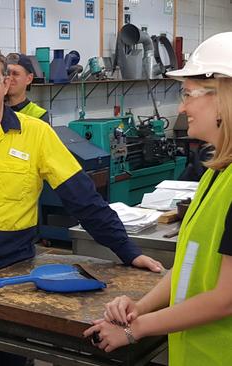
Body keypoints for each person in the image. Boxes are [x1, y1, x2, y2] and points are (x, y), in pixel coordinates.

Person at [0, 45, 163, 366]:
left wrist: (128, 251)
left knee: (11, 362)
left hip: (16, 281)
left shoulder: (37, 135)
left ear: (5, 83)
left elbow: (83, 200)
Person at [83, 32, 232, 366]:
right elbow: (188, 268)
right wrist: (141, 306)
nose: (181, 107)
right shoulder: (216, 174)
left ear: (223, 97)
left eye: (188, 94)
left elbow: (226, 298)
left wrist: (135, 329)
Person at [4, 53, 49, 123]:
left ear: (29, 79)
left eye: (15, 74)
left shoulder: (38, 115)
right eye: (7, 73)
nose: (9, 78)